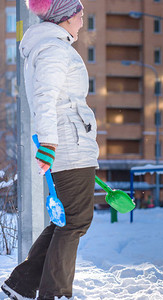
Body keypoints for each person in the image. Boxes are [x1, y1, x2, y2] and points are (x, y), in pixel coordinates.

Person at [1, 0, 99, 299]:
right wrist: (49, 143)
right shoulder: (54, 49)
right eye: (80, 16)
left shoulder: (49, 46)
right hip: (69, 144)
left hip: (71, 141)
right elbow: (45, 99)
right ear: (66, 18)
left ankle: (21, 284)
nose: (82, 22)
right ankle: (54, 293)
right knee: (76, 220)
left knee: (68, 219)